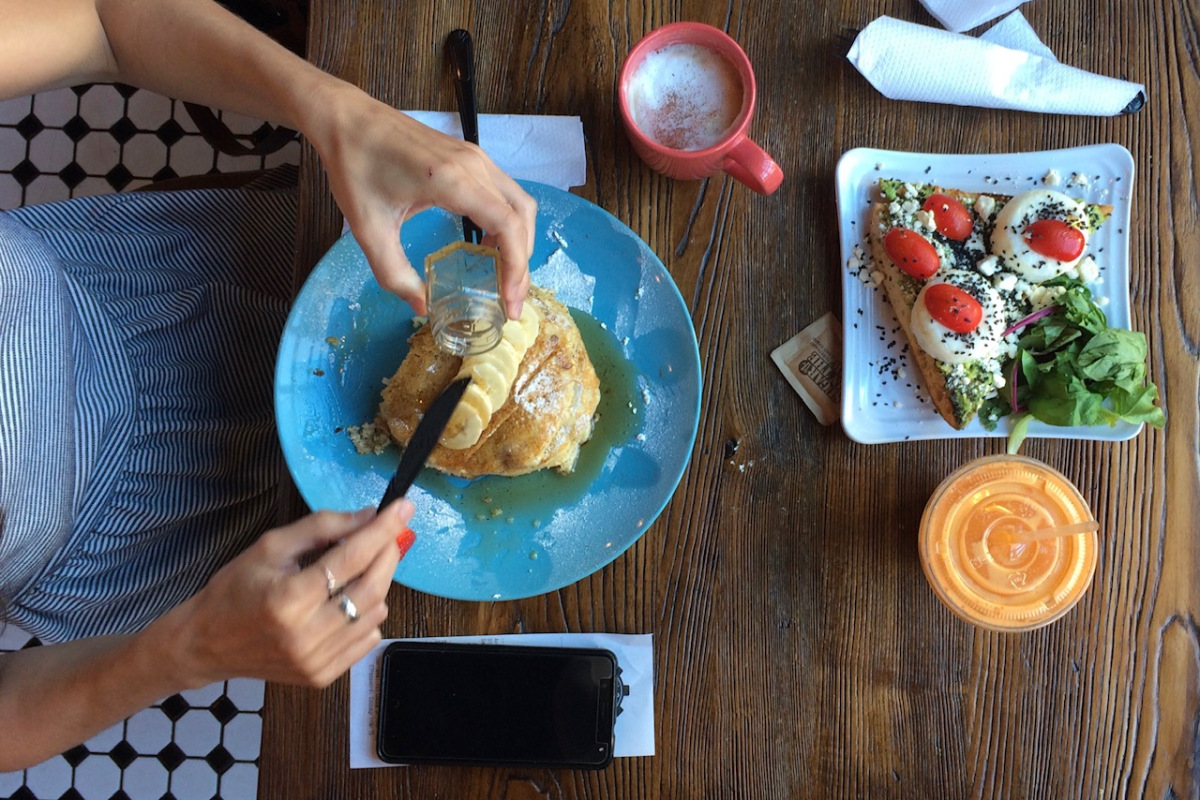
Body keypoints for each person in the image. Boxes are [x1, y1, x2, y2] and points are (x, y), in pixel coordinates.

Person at [0, 0, 537, 771]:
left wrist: (336, 111)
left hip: (161, 275)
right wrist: (183, 653)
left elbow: (102, 21)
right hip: (147, 536)